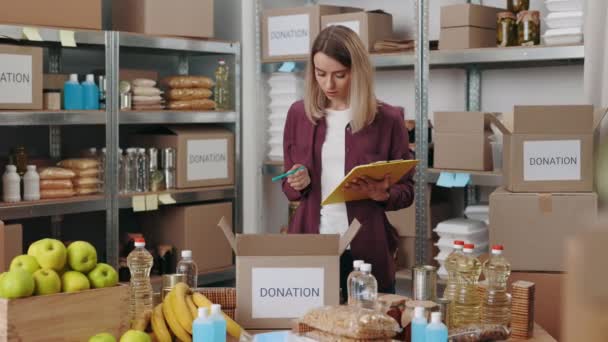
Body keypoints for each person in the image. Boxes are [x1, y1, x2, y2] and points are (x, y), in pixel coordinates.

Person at [281, 25, 415, 297]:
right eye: (320, 74)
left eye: (339, 75)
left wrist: (384, 193)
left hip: (368, 251)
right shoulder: (299, 114)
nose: (328, 84)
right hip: (312, 245)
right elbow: (288, 186)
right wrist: (298, 181)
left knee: (369, 332)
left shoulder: (388, 119)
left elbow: (408, 191)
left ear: (358, 71)